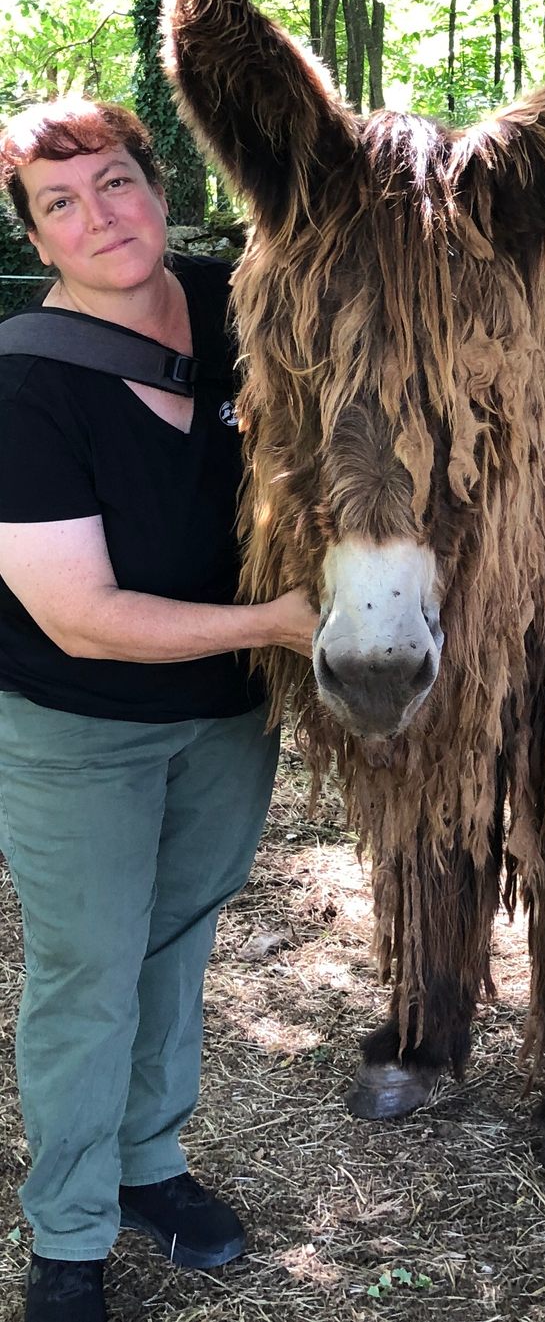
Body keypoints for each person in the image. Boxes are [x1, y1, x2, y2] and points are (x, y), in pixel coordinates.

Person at [0, 98, 318, 1322]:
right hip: (77, 726)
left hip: (225, 719)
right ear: (38, 239)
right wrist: (280, 626)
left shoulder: (242, 302)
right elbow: (80, 614)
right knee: (88, 973)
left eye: (118, 182)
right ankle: (69, 1237)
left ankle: (150, 1166)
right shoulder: (27, 389)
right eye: (62, 204)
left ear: (159, 182)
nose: (102, 217)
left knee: (177, 941)